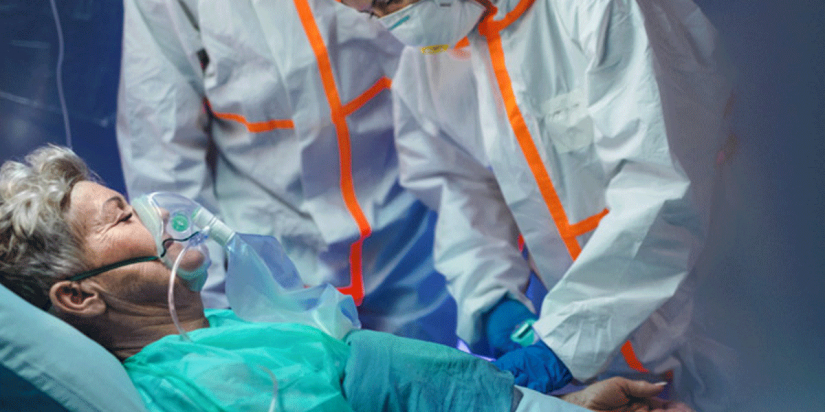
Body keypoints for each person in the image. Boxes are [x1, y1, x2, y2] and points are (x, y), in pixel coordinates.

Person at [0, 145, 694, 412]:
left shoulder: (219, 337)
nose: (159, 216)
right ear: (78, 296)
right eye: (124, 217)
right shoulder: (201, 383)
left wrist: (554, 404)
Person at [340, 0, 736, 410]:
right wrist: (494, 302)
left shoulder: (601, 9)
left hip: (726, 314)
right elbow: (461, 194)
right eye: (368, 13)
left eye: (386, 1)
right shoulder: (428, 70)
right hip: (610, 355)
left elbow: (662, 189)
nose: (391, 22)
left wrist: (564, 343)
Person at [115, 0, 457, 346]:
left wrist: (475, 261)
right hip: (272, 269)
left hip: (412, 246)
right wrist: (209, 317)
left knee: (433, 372)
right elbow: (164, 151)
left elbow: (454, 72)